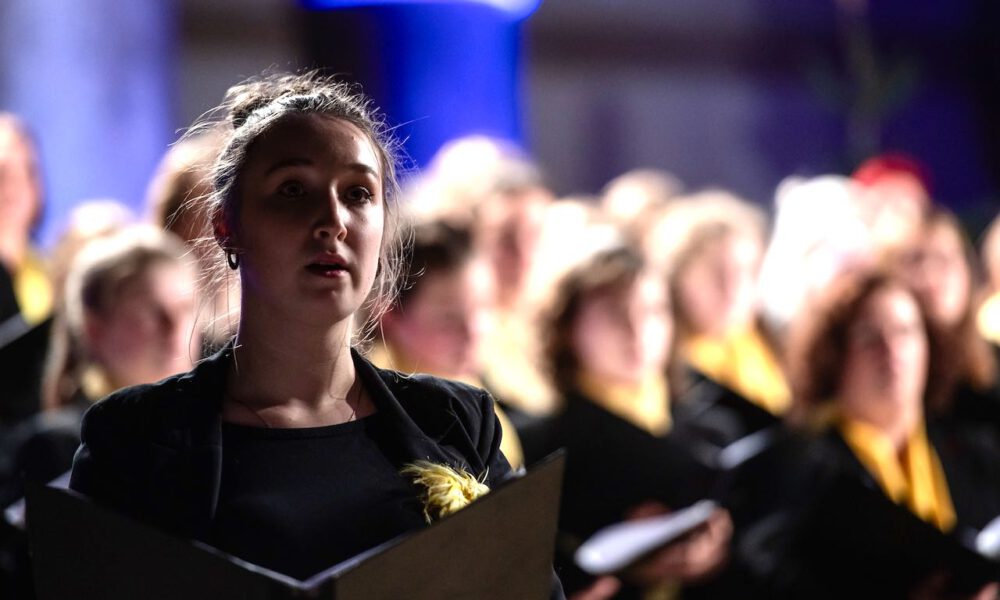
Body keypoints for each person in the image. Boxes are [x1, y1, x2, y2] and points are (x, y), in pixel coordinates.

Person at [68, 72, 555, 593]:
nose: (333, 220)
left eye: (358, 193)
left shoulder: (454, 421)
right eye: (293, 190)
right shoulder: (135, 437)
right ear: (226, 226)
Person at [738, 271, 1000, 598]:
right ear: (833, 355)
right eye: (869, 336)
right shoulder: (796, 465)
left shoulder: (978, 454)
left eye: (905, 332)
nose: (891, 351)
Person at [524, 241, 731, 600]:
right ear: (568, 325)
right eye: (615, 312)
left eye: (653, 311)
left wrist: (717, 550)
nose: (638, 331)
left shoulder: (712, 429)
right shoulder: (541, 446)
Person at [373, 219, 524, 468]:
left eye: (482, 308)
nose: (473, 331)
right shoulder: (385, 414)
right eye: (448, 319)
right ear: (389, 315)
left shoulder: (487, 375)